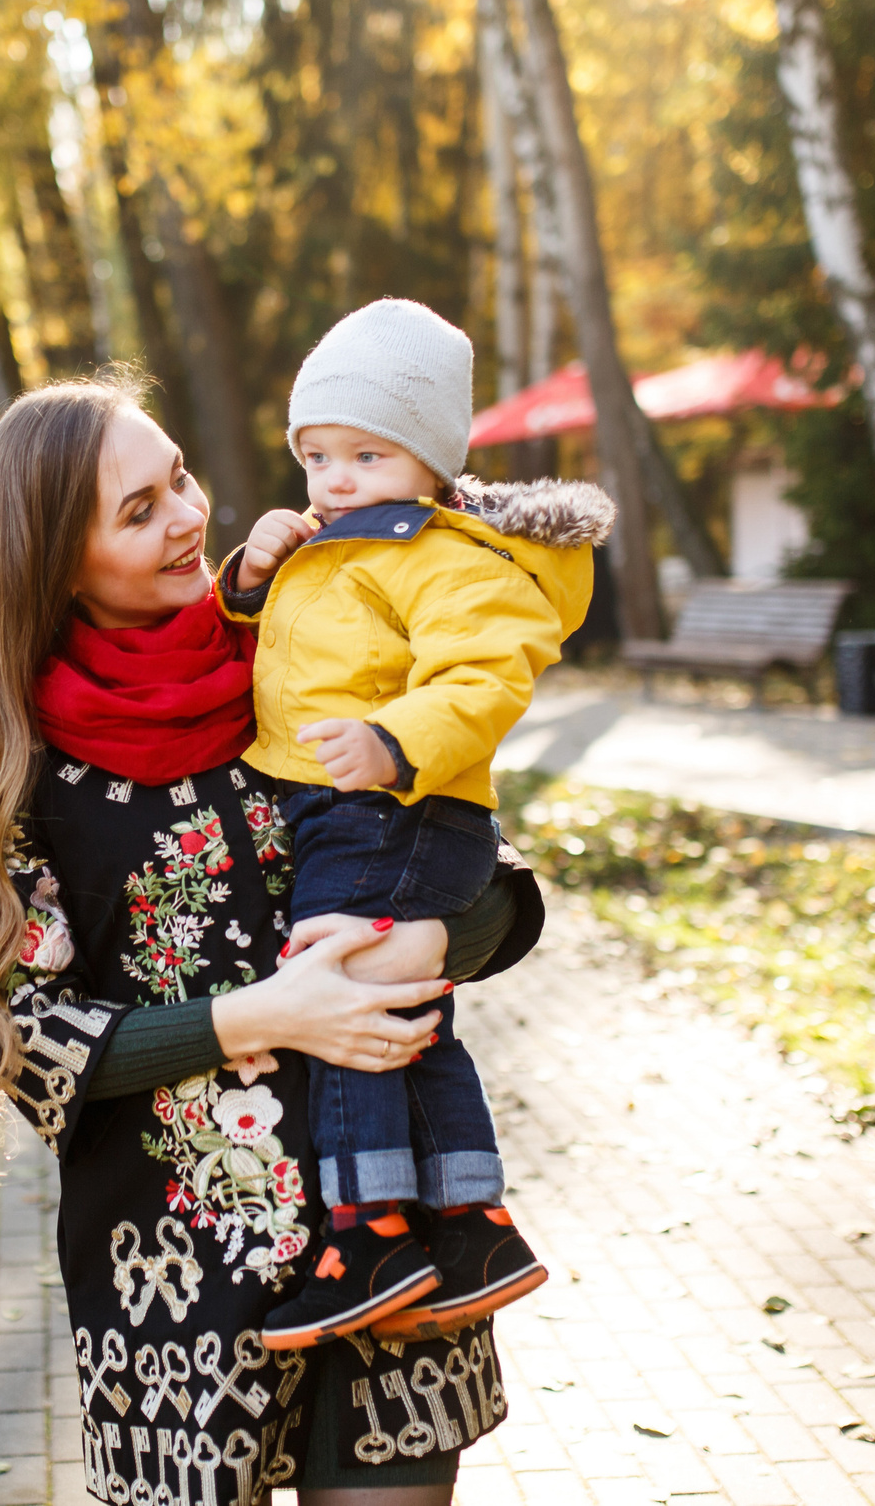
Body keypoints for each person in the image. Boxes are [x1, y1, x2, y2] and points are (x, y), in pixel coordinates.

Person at [0, 377, 544, 1506]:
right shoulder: (8, 763)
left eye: (178, 477)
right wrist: (263, 1016)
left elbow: (500, 891)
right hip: (170, 1280)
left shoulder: (302, 646)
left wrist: (420, 935)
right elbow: (16, 1037)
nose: (189, 516)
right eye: (139, 511)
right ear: (54, 563)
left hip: (391, 1240)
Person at [219, 299, 608, 1351]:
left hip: (400, 806)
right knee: (399, 1004)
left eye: (366, 454)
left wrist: (395, 740)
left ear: (431, 461)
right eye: (316, 456)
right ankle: (473, 1225)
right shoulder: (341, 542)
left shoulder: (452, 557)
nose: (335, 479)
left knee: (344, 991)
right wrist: (249, 579)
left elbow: (485, 676)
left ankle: (370, 1233)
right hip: (345, 806)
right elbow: (292, 651)